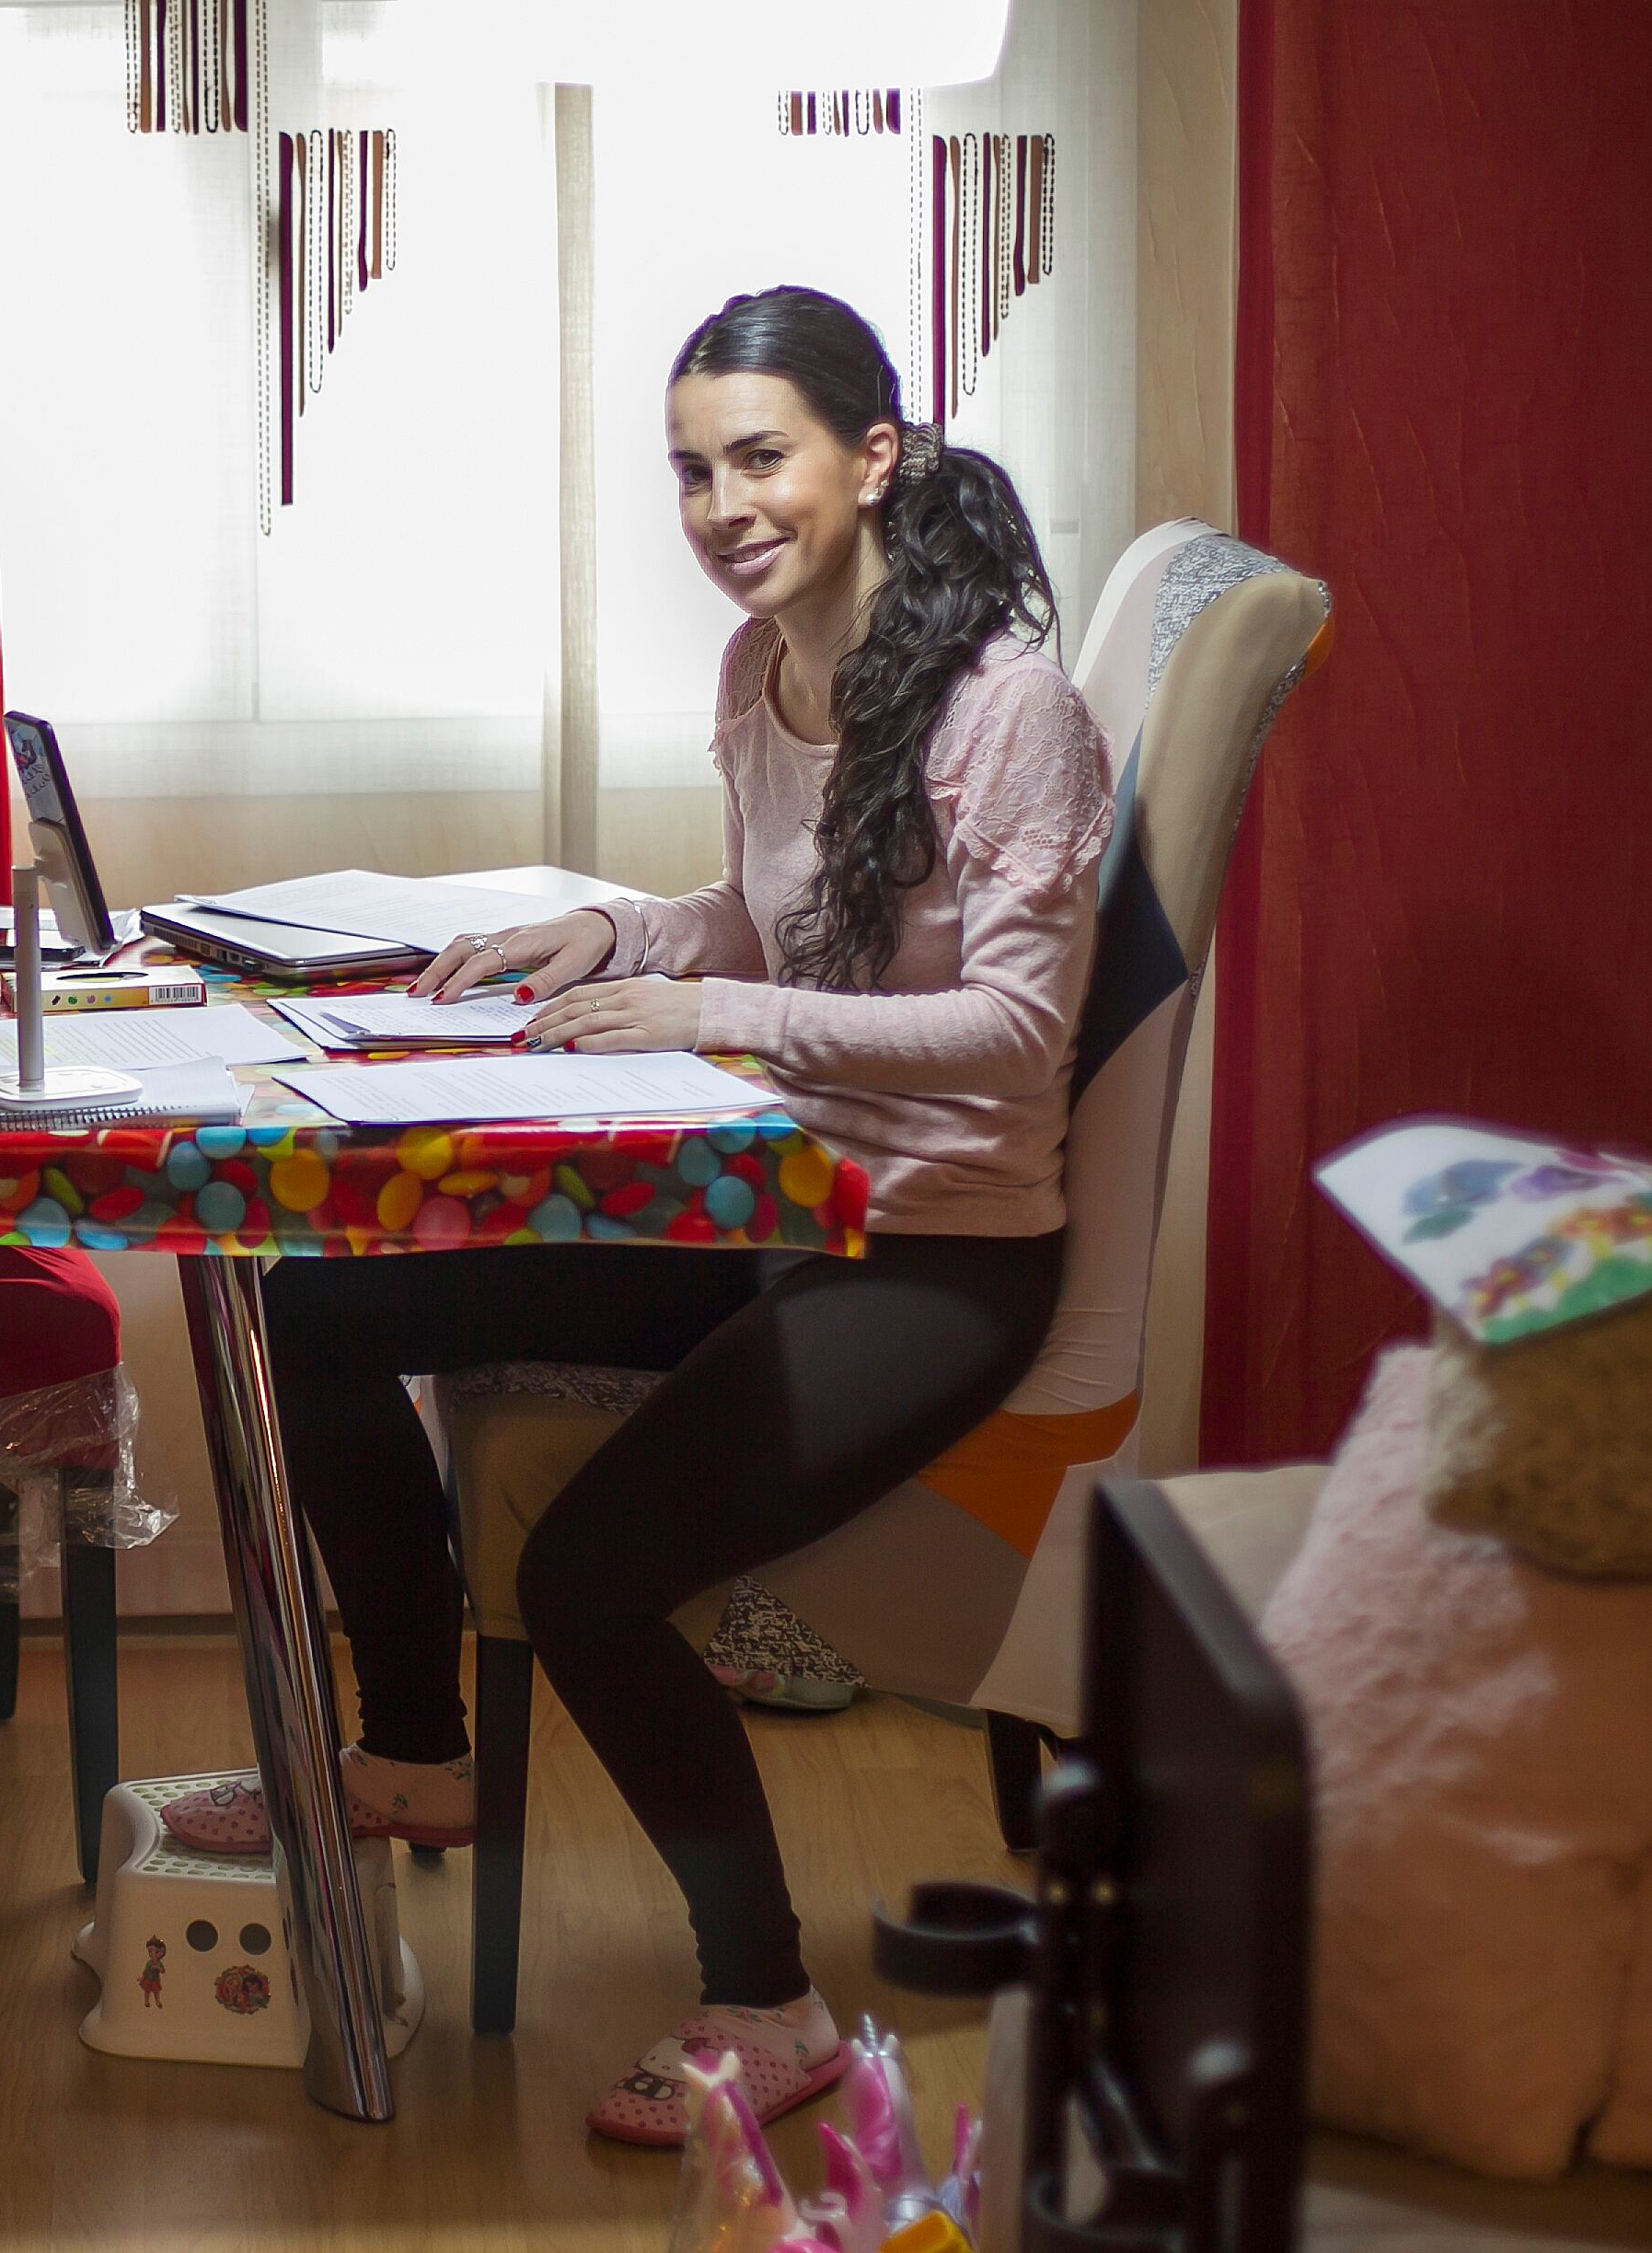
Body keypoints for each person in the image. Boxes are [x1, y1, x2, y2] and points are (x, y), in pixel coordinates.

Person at [158, 284, 1112, 2143]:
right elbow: (770, 928)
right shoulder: (769, 678)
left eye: (760, 458)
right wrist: (621, 930)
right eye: (692, 470)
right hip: (782, 1205)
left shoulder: (1013, 714)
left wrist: (709, 1010)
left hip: (942, 1256)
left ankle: (770, 2004)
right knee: (316, 1312)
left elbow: (1012, 1042)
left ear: (873, 457)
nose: (722, 506)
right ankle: (418, 1755)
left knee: (592, 1570)